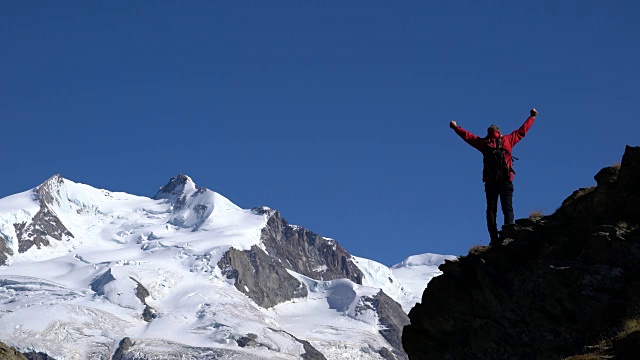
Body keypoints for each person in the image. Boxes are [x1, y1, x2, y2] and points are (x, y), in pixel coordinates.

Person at [449, 108, 538, 243]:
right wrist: (532, 117)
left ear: (488, 134)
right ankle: (509, 233)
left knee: (491, 209)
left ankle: (493, 237)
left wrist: (456, 127)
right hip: (506, 180)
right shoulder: (508, 140)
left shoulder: (484, 144)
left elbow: (468, 136)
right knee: (507, 207)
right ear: (499, 133)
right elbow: (522, 131)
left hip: (490, 182)